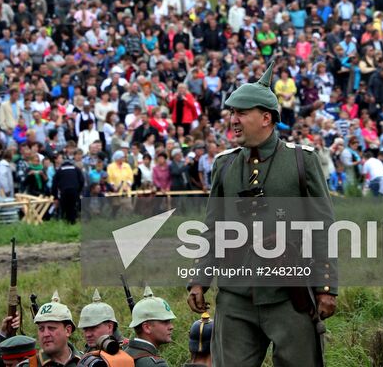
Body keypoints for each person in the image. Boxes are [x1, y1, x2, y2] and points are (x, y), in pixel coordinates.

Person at [187, 62, 337, 367]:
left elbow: (323, 225)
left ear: (266, 117)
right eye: (231, 113)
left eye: (241, 113)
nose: (233, 120)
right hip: (235, 297)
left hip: (290, 295)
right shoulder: (224, 165)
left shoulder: (301, 161)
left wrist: (325, 287)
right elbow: (212, 229)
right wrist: (200, 279)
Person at [78, 290, 130, 366]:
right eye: (85, 329)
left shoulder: (127, 352)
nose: (88, 335)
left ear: (110, 327)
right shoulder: (88, 351)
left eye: (93, 328)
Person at [127, 288, 175, 367]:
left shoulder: (125, 353)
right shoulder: (155, 364)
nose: (171, 327)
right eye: (165, 321)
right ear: (147, 327)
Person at [32, 292, 81, 367]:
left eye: (51, 328)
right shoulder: (31, 364)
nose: (45, 334)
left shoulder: (87, 362)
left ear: (68, 330)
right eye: (41, 329)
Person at [52, 153, 85, 223]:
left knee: (65, 207)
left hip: (64, 191)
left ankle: (65, 222)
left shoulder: (59, 170)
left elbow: (54, 184)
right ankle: (72, 222)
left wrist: (55, 197)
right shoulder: (76, 169)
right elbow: (82, 181)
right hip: (74, 191)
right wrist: (78, 191)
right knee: (73, 207)